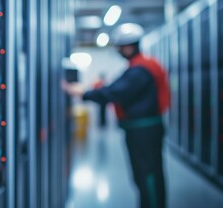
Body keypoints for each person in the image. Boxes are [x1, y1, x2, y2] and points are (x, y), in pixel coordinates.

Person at [63, 23, 170, 208]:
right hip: (142, 130)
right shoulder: (140, 66)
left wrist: (83, 93)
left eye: (120, 47)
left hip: (143, 132)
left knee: (148, 176)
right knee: (145, 175)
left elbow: (114, 92)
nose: (119, 50)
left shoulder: (140, 69)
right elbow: (115, 88)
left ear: (129, 46)